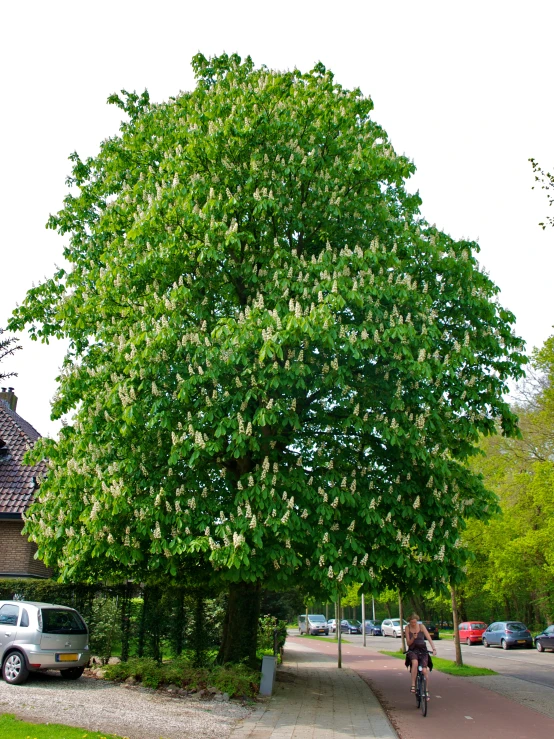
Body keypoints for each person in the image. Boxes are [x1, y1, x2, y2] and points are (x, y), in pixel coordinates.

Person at [405, 612, 437, 699]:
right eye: (412, 622)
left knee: (424, 671)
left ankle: (426, 691)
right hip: (413, 650)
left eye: (415, 622)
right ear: (409, 622)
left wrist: (433, 649)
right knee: (414, 663)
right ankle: (413, 685)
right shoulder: (407, 628)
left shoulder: (421, 627)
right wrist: (413, 638)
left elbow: (429, 638)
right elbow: (408, 643)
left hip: (422, 650)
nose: (413, 624)